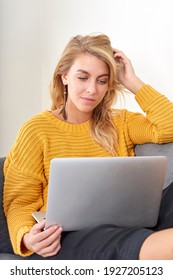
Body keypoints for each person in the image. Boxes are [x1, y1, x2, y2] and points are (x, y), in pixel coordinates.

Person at [3, 33, 173, 260]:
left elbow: (168, 126)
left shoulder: (120, 122)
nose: (92, 90)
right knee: (108, 238)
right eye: (83, 77)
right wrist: (26, 237)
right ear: (64, 76)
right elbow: (20, 200)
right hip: (67, 235)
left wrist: (132, 81)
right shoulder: (36, 129)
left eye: (102, 80)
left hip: (123, 221)